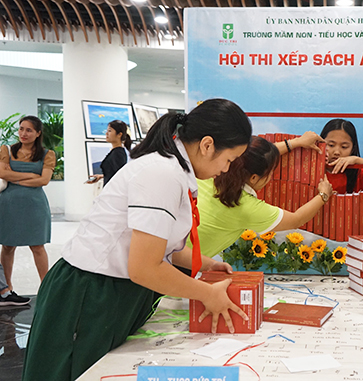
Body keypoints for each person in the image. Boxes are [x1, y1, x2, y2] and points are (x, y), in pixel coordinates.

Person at [22, 99, 253, 381]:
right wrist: (206, 294)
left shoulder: (174, 171)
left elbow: (157, 244)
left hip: (112, 290)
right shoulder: (161, 173)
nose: (227, 169)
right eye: (228, 159)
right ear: (207, 145)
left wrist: (204, 264)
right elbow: (145, 266)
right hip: (89, 293)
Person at [194, 134, 333, 258]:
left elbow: (253, 157)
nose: (272, 177)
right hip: (183, 266)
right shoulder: (245, 206)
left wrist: (295, 143)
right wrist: (324, 194)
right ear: (254, 178)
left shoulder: (207, 173)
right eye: (270, 172)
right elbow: (296, 219)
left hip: (176, 249)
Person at [0, 116, 54, 290]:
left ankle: (45, 287)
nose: (23, 133)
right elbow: (3, 174)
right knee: (8, 245)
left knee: (38, 246)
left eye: (29, 130)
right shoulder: (6, 150)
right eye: (21, 128)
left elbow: (44, 180)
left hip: (35, 206)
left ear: (38, 133)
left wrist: (16, 178)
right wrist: (31, 176)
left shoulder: (47, 154)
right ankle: (7, 288)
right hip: (8, 205)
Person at [320, 119, 363, 194]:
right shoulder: (311, 171)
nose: (337, 152)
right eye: (331, 145)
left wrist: (358, 160)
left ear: (353, 148)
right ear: (321, 143)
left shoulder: (359, 174)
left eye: (344, 147)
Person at [86, 120, 133, 187]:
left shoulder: (118, 154)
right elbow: (114, 173)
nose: (106, 133)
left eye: (110, 131)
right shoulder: (116, 152)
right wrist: (102, 176)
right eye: (107, 130)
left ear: (119, 134)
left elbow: (120, 177)